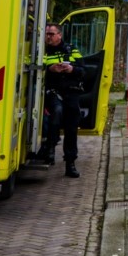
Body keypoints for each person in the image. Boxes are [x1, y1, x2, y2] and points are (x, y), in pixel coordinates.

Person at [40, 23, 85, 178]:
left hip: (71, 93)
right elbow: (35, 69)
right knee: (56, 113)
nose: (48, 37)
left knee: (72, 130)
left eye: (51, 34)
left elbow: (82, 70)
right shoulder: (41, 51)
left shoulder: (71, 50)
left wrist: (71, 69)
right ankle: (50, 148)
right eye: (46, 34)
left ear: (59, 35)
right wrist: (50, 69)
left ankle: (70, 164)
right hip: (53, 91)